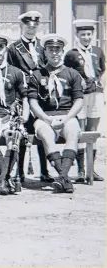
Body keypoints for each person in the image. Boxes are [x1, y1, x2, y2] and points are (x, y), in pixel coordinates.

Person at [28, 34, 84, 193]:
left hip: (67, 115)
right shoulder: (37, 75)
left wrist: (67, 118)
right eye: (50, 50)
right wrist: (46, 119)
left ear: (62, 51)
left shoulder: (72, 74)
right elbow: (33, 103)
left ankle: (61, 176)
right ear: (44, 52)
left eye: (57, 49)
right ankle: (64, 177)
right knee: (45, 133)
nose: (54, 53)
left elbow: (79, 101)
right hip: (45, 117)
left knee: (73, 131)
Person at [0, 33, 30, 195]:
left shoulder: (16, 72)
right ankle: (6, 177)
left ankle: (2, 180)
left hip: (11, 116)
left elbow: (25, 98)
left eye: (1, 47)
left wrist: (25, 117)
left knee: (13, 137)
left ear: (6, 49)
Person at [7, 11, 52, 183]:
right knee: (22, 133)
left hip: (40, 95)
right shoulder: (14, 48)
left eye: (34, 27)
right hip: (22, 96)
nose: (31, 30)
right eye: (28, 26)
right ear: (21, 26)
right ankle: (20, 172)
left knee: (42, 131)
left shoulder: (43, 47)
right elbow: (11, 72)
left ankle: (44, 170)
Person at [64, 19, 105, 182]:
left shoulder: (98, 51)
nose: (86, 38)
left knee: (93, 130)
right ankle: (81, 170)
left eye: (89, 34)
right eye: (83, 35)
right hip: (81, 96)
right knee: (80, 131)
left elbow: (104, 70)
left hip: (96, 95)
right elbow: (67, 73)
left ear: (92, 35)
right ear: (77, 36)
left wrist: (103, 85)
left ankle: (91, 169)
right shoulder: (71, 54)